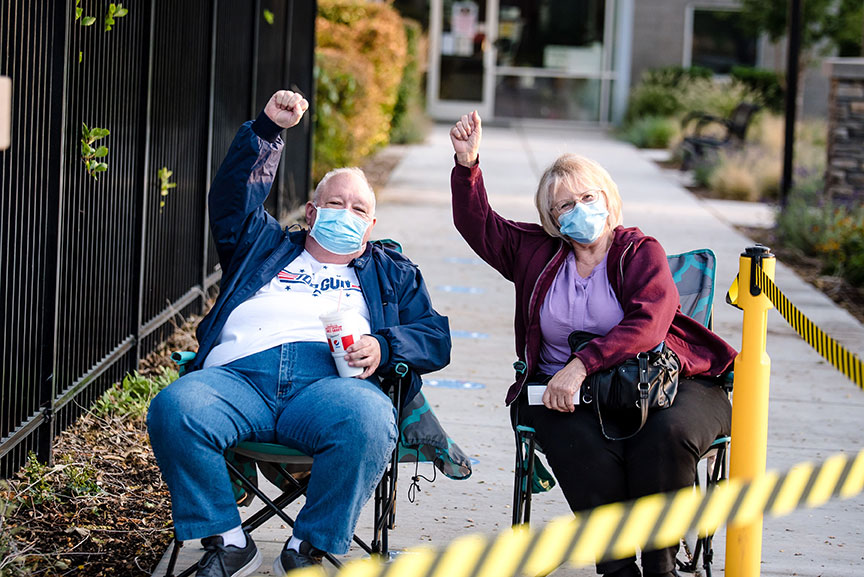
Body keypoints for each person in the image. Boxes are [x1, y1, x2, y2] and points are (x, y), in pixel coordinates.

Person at [147, 90, 451, 577]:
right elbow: (231, 200)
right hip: (239, 378)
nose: (345, 214)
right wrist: (268, 132)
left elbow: (435, 337)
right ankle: (227, 543)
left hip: (329, 388)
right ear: (311, 212)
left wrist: (385, 344)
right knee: (175, 408)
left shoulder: (391, 272)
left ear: (370, 226)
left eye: (358, 210)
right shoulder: (262, 246)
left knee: (370, 420)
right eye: (335, 203)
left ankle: (307, 547)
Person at [449, 111, 735, 577]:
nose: (579, 210)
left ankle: (661, 563)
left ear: (608, 199)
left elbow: (650, 323)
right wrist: (467, 164)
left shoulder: (640, 250)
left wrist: (583, 364)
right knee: (576, 438)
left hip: (664, 379)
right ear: (552, 218)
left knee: (664, 435)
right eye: (564, 205)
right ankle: (618, 567)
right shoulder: (537, 252)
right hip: (567, 393)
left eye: (587, 197)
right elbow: (480, 226)